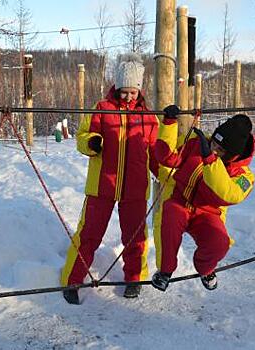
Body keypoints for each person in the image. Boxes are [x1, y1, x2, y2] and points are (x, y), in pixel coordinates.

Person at [60, 53, 159, 304]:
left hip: (135, 187)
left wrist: (168, 174)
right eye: (124, 91)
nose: (128, 97)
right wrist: (91, 143)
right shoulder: (101, 109)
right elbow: (83, 136)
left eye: (132, 92)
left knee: (135, 236)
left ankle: (134, 279)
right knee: (89, 233)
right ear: (116, 87)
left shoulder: (149, 117)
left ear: (139, 90)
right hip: (102, 184)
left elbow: (157, 152)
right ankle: (72, 280)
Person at [151, 105, 255, 292]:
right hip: (180, 202)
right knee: (170, 216)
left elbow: (228, 194)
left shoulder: (244, 175)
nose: (214, 149)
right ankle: (165, 271)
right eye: (214, 143)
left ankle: (205, 269)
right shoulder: (196, 143)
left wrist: (210, 160)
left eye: (220, 150)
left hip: (207, 214)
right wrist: (168, 123)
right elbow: (166, 157)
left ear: (233, 155)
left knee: (220, 243)